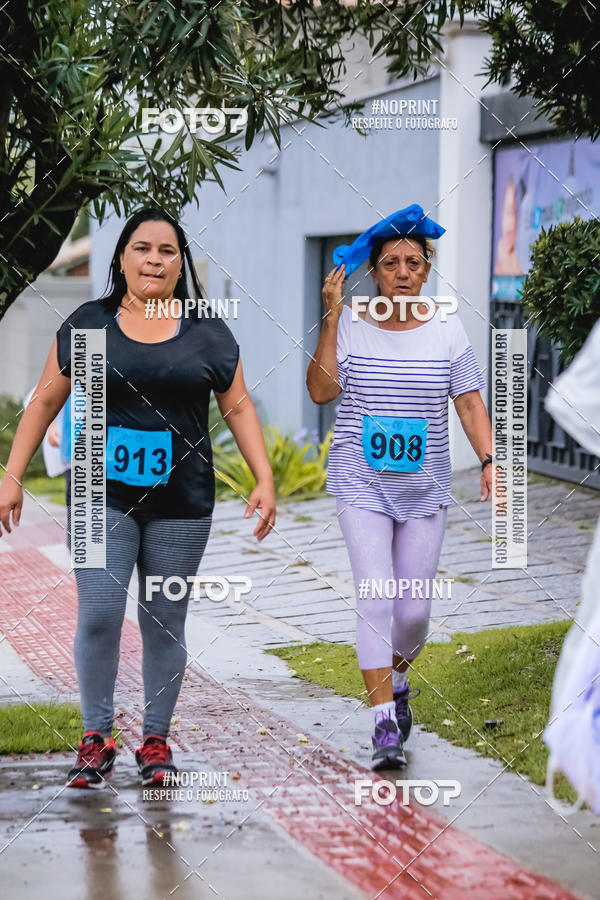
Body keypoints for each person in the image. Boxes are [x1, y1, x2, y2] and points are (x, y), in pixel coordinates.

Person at [0, 207, 276, 788]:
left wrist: (264, 477)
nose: (155, 259)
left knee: (163, 618)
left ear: (181, 265)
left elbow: (239, 405)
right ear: (121, 258)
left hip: (181, 502)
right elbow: (46, 403)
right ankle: (96, 737)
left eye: (167, 251)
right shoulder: (89, 325)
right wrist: (13, 475)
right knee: (100, 613)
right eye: (143, 248)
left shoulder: (207, 331)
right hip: (101, 495)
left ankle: (155, 740)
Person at [307, 204, 493, 770]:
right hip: (360, 482)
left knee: (412, 613)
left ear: (427, 270)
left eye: (414, 262)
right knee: (377, 598)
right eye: (392, 263)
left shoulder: (446, 327)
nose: (404, 272)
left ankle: (400, 677)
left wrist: (490, 459)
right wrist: (332, 321)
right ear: (376, 271)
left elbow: (467, 402)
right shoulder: (354, 324)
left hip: (424, 488)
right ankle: (383, 724)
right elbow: (319, 392)